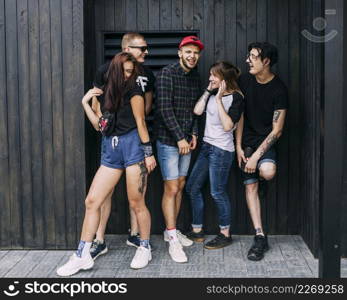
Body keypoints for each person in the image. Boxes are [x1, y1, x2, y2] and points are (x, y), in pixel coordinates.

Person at [57, 52, 156, 276]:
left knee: (136, 202)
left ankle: (144, 246)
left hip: (133, 146)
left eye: (131, 72)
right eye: (125, 71)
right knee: (92, 201)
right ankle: (82, 255)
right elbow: (100, 126)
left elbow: (141, 121)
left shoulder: (134, 90)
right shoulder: (104, 92)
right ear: (114, 71)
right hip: (111, 149)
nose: (128, 75)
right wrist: (85, 103)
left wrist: (148, 153)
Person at [91, 33, 156, 259]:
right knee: (104, 191)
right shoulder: (105, 70)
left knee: (136, 192)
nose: (146, 52)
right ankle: (99, 240)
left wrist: (131, 117)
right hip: (111, 137)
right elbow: (96, 99)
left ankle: (136, 235)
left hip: (133, 136)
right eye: (142, 48)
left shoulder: (146, 74)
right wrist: (105, 123)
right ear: (127, 48)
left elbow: (145, 108)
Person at [235, 42, 288, 261]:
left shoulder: (279, 89)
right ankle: (260, 236)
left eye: (253, 57)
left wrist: (256, 156)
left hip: (265, 143)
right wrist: (238, 147)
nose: (248, 60)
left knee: (267, 172)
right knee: (251, 186)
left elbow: (277, 130)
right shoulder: (244, 81)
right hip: (245, 142)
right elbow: (240, 116)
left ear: (266, 61)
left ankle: (260, 175)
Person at [155, 36, 203, 263]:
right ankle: (173, 239)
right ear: (180, 52)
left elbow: (194, 111)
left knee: (181, 185)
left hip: (186, 140)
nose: (192, 56)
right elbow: (164, 109)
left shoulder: (195, 77)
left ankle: (170, 231)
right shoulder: (167, 73)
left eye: (196, 52)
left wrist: (193, 134)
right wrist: (179, 139)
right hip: (168, 141)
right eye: (188, 52)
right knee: (171, 187)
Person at [185, 61, 244, 249]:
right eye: (210, 74)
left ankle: (225, 234)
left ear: (225, 80)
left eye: (214, 76)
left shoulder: (236, 98)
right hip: (207, 147)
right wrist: (209, 92)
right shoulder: (210, 94)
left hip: (222, 151)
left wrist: (219, 99)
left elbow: (228, 127)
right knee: (193, 187)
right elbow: (197, 110)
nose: (210, 78)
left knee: (217, 192)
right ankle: (197, 231)